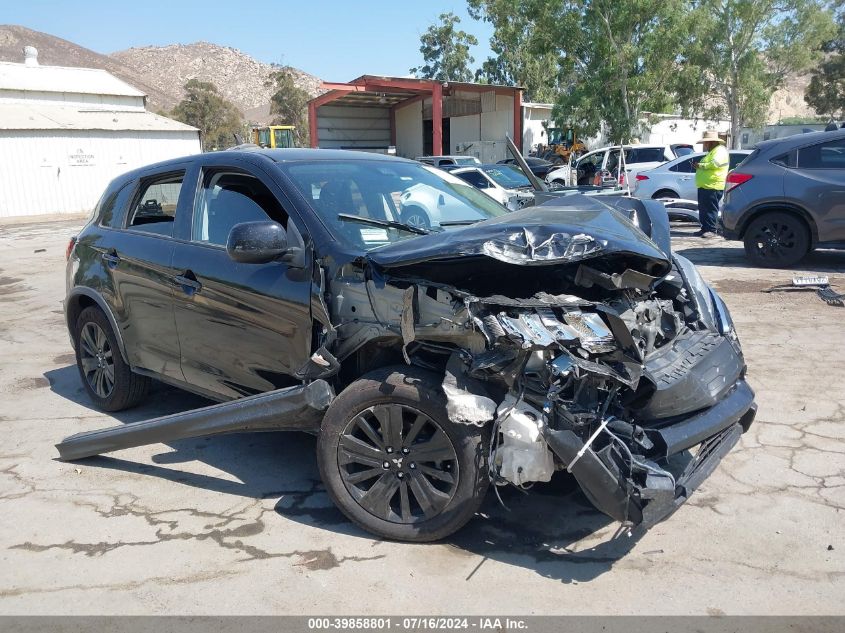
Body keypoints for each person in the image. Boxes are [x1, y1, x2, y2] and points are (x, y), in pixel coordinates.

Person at [693, 129, 729, 237]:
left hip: (713, 186)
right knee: (704, 209)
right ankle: (705, 228)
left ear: (711, 142)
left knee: (710, 209)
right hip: (706, 186)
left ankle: (712, 230)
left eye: (706, 142)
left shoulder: (720, 150)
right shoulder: (713, 151)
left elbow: (715, 164)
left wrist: (700, 166)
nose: (705, 145)